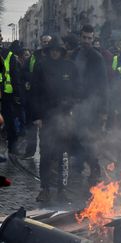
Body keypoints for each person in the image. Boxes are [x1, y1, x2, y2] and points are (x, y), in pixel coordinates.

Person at [32, 38, 79, 202]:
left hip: (65, 117)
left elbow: (76, 90)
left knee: (63, 155)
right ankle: (44, 188)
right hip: (46, 117)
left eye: (57, 50)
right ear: (48, 51)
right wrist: (37, 116)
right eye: (52, 50)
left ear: (62, 51)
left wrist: (72, 107)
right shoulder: (40, 66)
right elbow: (34, 93)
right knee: (46, 154)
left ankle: (61, 189)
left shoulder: (70, 67)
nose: (55, 52)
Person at [70, 24, 108, 186]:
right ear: (80, 37)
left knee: (90, 139)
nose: (87, 41)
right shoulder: (75, 54)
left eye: (89, 38)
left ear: (93, 39)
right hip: (76, 104)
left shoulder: (96, 57)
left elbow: (103, 84)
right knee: (76, 136)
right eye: (84, 37)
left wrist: (103, 110)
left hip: (92, 105)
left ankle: (95, 170)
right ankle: (78, 166)